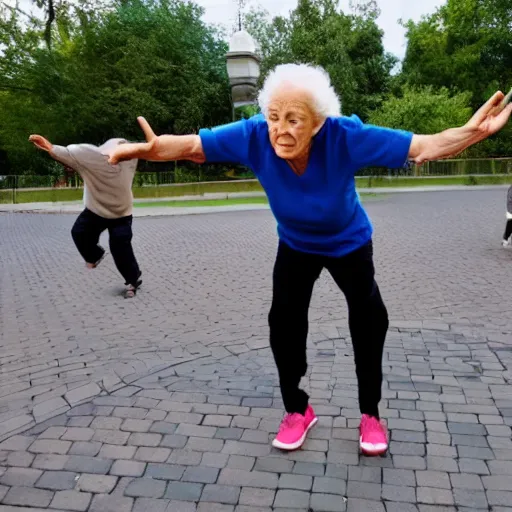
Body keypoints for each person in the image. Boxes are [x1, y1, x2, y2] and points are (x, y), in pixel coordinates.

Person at [108, 64, 512, 454]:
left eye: (294, 120)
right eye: (273, 117)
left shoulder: (344, 136)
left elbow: (423, 145)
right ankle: (297, 409)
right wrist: (157, 149)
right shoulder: (254, 136)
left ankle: (370, 414)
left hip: (348, 243)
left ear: (318, 122)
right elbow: (195, 146)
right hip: (296, 245)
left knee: (370, 319)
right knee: (283, 322)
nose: (280, 130)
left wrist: (469, 134)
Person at [28, 136, 142, 298]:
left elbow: (154, 150)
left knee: (120, 245)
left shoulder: (131, 159)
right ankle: (94, 255)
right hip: (96, 209)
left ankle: (132, 279)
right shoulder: (92, 159)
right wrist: (50, 147)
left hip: (121, 213)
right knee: (79, 232)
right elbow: (68, 153)